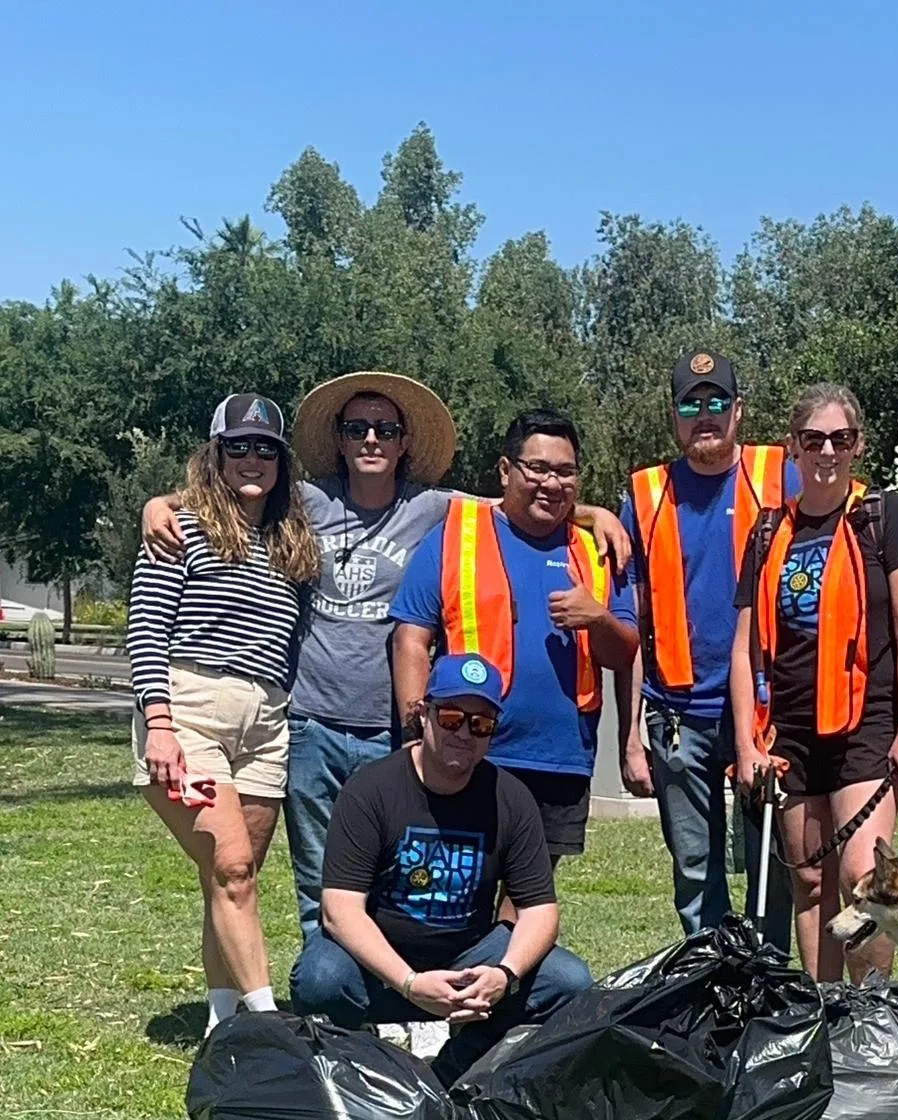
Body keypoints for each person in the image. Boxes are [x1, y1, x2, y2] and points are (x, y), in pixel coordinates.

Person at [140, 372, 633, 944]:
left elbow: (521, 503)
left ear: (404, 444)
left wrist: (596, 514)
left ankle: (387, 989)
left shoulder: (436, 508)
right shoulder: (304, 500)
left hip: (387, 731)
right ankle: (326, 995)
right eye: (357, 429)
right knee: (318, 876)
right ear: (341, 441)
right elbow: (234, 487)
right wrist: (162, 502)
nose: (371, 439)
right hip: (310, 723)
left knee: (393, 876)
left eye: (385, 429)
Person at [290, 653, 592, 1075]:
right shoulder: (370, 789)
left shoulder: (510, 798)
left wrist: (505, 974)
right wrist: (410, 983)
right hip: (381, 959)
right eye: (451, 717)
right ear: (424, 714)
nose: (464, 732)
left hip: (469, 954)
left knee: (569, 982)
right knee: (319, 977)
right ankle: (359, 1075)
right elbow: (339, 911)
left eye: (480, 724)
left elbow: (540, 911)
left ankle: (453, 1072)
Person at [126, 394, 319, 1035]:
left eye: (266, 447)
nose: (252, 458)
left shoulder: (292, 535)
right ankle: (267, 1033)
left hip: (267, 720)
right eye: (237, 445)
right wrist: (158, 722)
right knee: (233, 867)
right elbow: (147, 627)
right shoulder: (178, 523)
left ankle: (221, 1022)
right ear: (214, 453)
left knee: (232, 877)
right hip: (192, 708)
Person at [730, 383, 898, 981]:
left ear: (857, 445)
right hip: (789, 729)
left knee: (862, 880)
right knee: (811, 881)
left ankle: (867, 1016)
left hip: (864, 723)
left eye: (840, 439)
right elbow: (744, 649)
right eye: (813, 439)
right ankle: (824, 1014)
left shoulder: (884, 518)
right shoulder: (768, 533)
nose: (826, 452)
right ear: (793, 447)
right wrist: (746, 745)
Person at [390, 410, 640, 865]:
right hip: (467, 748)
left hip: (559, 758)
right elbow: (410, 638)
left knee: (529, 897)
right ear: (506, 471)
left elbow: (623, 654)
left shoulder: (597, 551)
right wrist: (416, 729)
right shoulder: (454, 537)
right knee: (457, 885)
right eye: (538, 469)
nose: (552, 483)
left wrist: (597, 619)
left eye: (565, 472)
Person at [617, 349, 796, 950]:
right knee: (695, 868)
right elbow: (631, 617)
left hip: (767, 709)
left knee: (773, 863)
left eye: (716, 401)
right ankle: (711, 980)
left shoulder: (782, 473)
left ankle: (766, 980)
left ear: (738, 410)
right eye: (690, 404)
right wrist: (629, 735)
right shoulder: (644, 494)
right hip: (676, 713)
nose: (704, 415)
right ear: (674, 417)